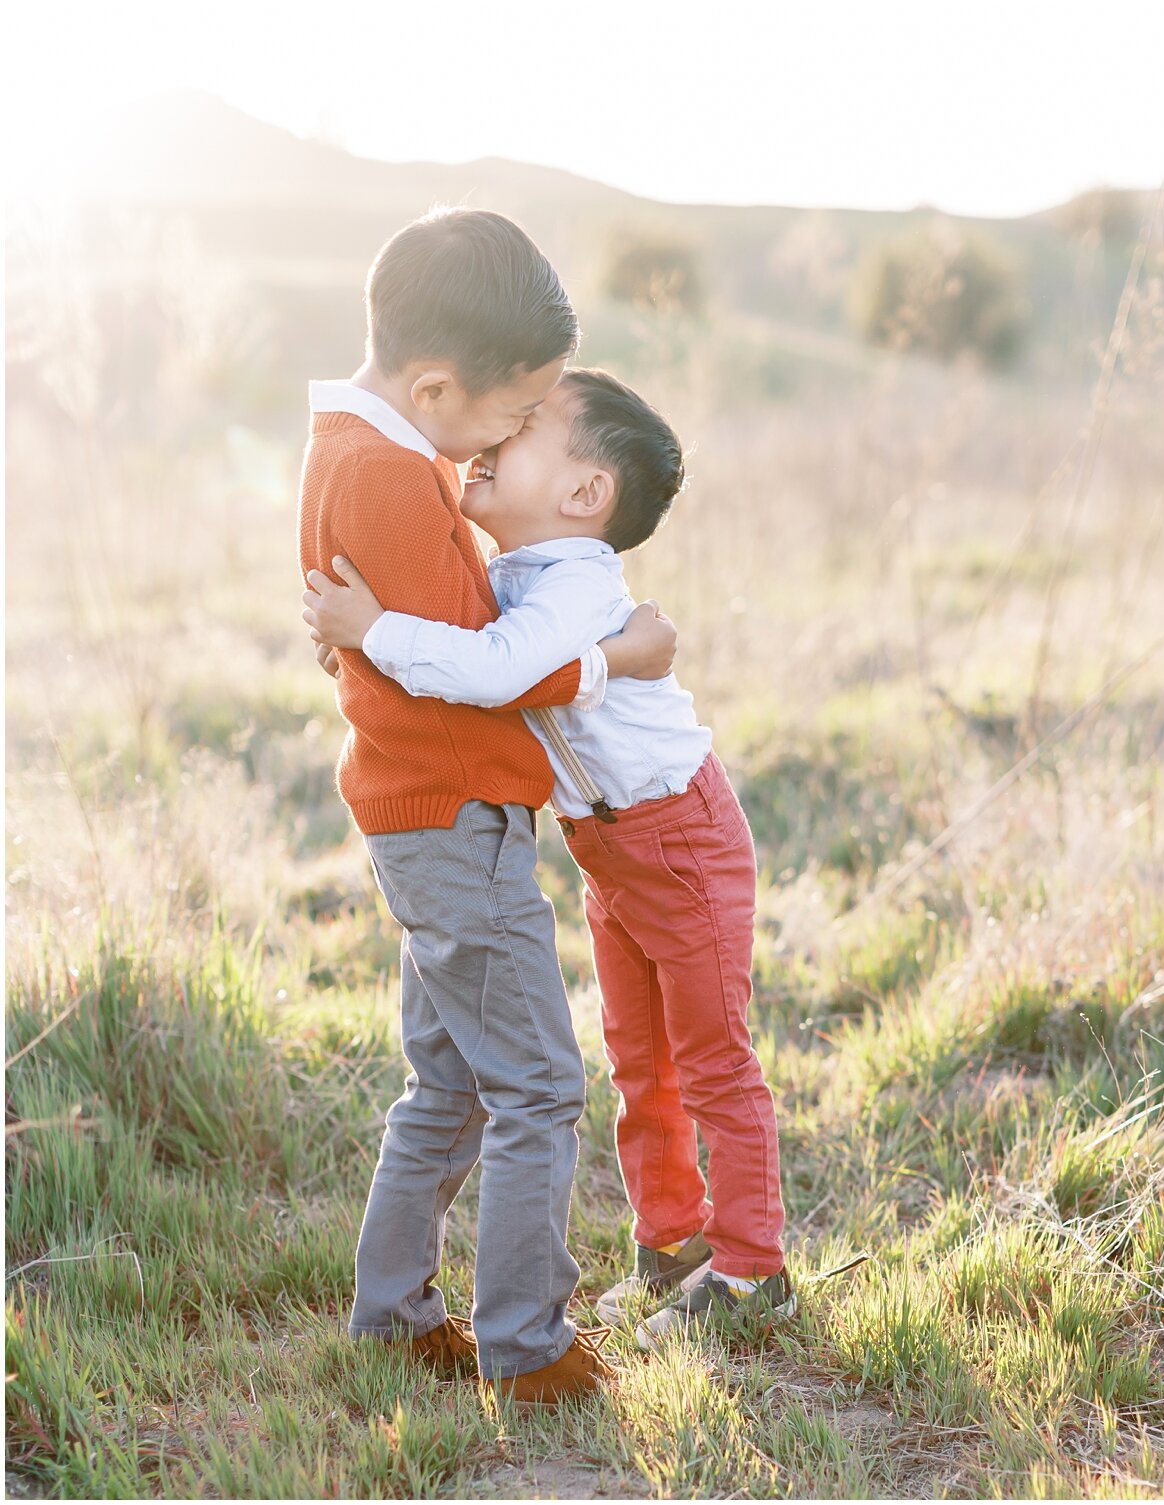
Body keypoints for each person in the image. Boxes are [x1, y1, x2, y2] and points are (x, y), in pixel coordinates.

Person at [303, 367, 790, 1349]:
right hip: (610, 848)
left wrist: (373, 631)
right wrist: (361, 647)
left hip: (681, 838)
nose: (494, 435)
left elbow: (486, 670)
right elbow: (468, 641)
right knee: (638, 1060)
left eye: (526, 429)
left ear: (581, 495)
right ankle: (672, 1245)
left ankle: (750, 1268)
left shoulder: (571, 586)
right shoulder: (514, 574)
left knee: (711, 1059)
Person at [297, 209, 676, 1406]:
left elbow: (408, 639)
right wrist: (619, 656)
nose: (512, 435)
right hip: (453, 817)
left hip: (428, 813)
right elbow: (477, 661)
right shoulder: (387, 474)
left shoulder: (362, 450)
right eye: (511, 412)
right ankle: (528, 1342)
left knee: (451, 1082)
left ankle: (393, 1315)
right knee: (537, 1084)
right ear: (436, 384)